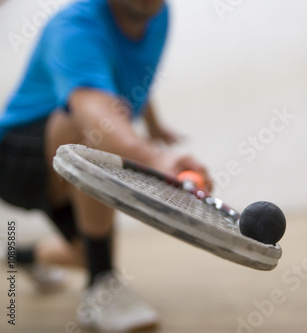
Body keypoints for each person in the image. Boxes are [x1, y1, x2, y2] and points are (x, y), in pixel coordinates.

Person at [0, 0, 211, 331]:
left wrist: (153, 124)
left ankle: (18, 256)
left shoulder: (157, 15)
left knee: (86, 253)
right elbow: (91, 107)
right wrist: (155, 159)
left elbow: (128, 75)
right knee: (86, 128)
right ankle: (102, 289)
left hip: (74, 148)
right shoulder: (73, 28)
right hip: (15, 160)